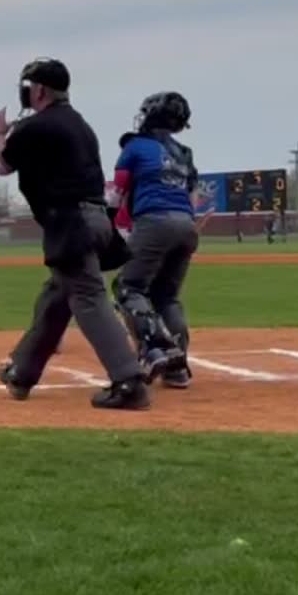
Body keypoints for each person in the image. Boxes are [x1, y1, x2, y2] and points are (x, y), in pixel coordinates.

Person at [0, 57, 154, 409]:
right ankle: (22, 371)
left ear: (39, 90)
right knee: (57, 297)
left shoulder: (39, 126)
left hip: (71, 223)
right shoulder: (79, 123)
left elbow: (2, 164)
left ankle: (129, 382)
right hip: (94, 220)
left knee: (88, 298)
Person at [112, 92, 199, 390]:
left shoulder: (135, 146)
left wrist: (108, 224)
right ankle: (178, 368)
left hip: (153, 221)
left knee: (128, 287)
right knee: (166, 295)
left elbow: (118, 191)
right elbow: (191, 196)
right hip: (187, 225)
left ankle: (154, 348)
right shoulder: (184, 153)